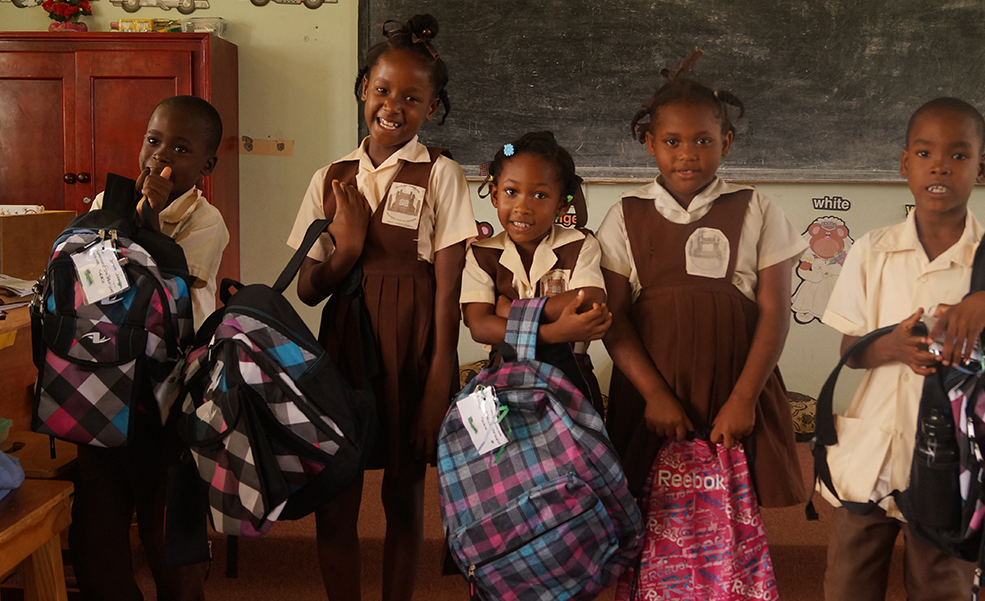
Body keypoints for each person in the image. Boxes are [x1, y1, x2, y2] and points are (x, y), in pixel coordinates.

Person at [819, 97, 985, 601]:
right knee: (848, 581)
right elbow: (852, 350)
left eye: (958, 155)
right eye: (926, 153)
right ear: (905, 163)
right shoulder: (872, 249)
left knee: (941, 584)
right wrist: (894, 346)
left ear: (982, 167)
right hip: (874, 446)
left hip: (959, 455)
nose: (940, 166)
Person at [285, 13, 475, 601]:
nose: (394, 106)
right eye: (384, 90)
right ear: (363, 87)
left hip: (411, 352)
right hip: (342, 348)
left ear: (433, 108)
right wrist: (349, 247)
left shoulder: (440, 173)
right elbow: (310, 287)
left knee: (401, 493)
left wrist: (437, 387)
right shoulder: (330, 176)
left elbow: (448, 294)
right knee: (336, 497)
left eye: (413, 98)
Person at [597, 63, 807, 509]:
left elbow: (774, 312)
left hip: (735, 387)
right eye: (672, 141)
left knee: (733, 510)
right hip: (653, 396)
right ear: (651, 144)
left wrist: (744, 399)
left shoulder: (759, 210)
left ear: (726, 143)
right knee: (649, 514)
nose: (687, 154)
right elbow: (614, 321)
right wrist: (654, 396)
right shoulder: (625, 215)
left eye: (703, 141)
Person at [75, 94, 228, 601]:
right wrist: (128, 215)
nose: (160, 158)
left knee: (165, 520)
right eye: (153, 141)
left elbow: (168, 282)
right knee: (97, 523)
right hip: (104, 374)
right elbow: (91, 280)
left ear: (206, 166)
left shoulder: (208, 222)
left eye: (180, 149)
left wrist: (152, 218)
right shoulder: (105, 203)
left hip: (169, 387)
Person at [461, 131, 611, 408]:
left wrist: (510, 311)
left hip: (570, 381)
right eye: (511, 192)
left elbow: (589, 299)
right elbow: (480, 326)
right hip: (502, 380)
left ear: (562, 203)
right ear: (494, 195)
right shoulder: (482, 254)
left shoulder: (580, 245)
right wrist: (553, 334)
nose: (523, 207)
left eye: (540, 195)